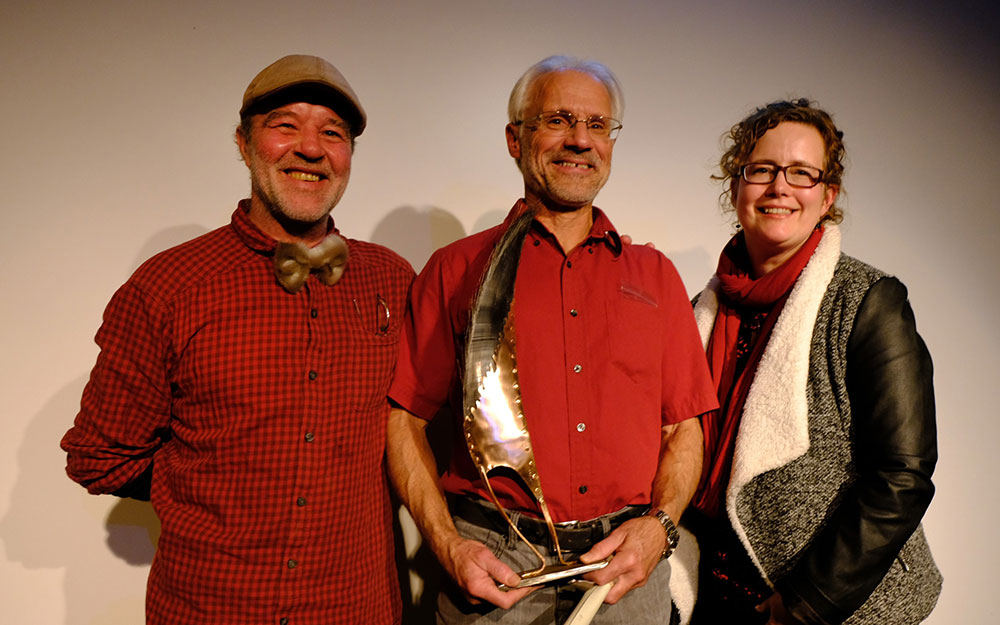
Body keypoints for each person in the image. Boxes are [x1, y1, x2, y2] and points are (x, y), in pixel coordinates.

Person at [60, 55, 414, 625]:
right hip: (211, 609)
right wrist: (207, 482)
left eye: (333, 132)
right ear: (244, 145)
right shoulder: (169, 286)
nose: (310, 148)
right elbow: (98, 459)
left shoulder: (393, 281)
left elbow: (421, 433)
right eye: (285, 125)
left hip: (356, 608)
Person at [385, 55, 717, 625]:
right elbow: (403, 419)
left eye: (597, 125)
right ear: (516, 140)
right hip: (497, 561)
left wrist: (659, 530)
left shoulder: (654, 275)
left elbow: (684, 426)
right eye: (558, 120)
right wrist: (447, 544)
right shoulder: (456, 270)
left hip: (625, 568)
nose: (580, 141)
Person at [683, 99, 941, 625]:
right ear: (736, 187)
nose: (780, 187)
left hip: (835, 604)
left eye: (802, 173)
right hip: (722, 595)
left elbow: (902, 474)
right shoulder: (699, 311)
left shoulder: (869, 301)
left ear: (827, 196)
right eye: (762, 170)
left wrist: (805, 604)